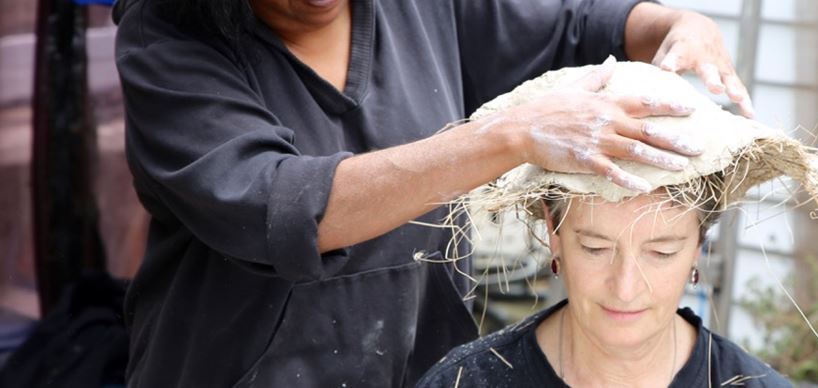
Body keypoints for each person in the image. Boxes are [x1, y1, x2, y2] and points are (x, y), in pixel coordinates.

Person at [113, 0, 754, 385]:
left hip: (424, 369)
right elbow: (274, 206)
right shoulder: (165, 37)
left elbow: (574, 25)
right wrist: (507, 137)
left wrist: (675, 23)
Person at [416, 186, 794, 387]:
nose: (625, 288)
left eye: (661, 252)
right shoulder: (465, 381)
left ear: (698, 244)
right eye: (595, 248)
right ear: (554, 233)